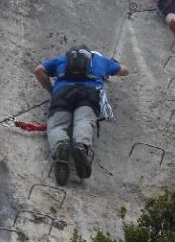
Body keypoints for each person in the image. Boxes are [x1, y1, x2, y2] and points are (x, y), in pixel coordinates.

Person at [34, 46, 128, 185]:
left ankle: (60, 146)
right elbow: (125, 71)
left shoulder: (62, 59)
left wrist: (51, 89)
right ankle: (80, 146)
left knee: (57, 126)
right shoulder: (101, 61)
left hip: (62, 92)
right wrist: (111, 66)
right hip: (89, 93)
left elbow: (38, 70)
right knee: (84, 120)